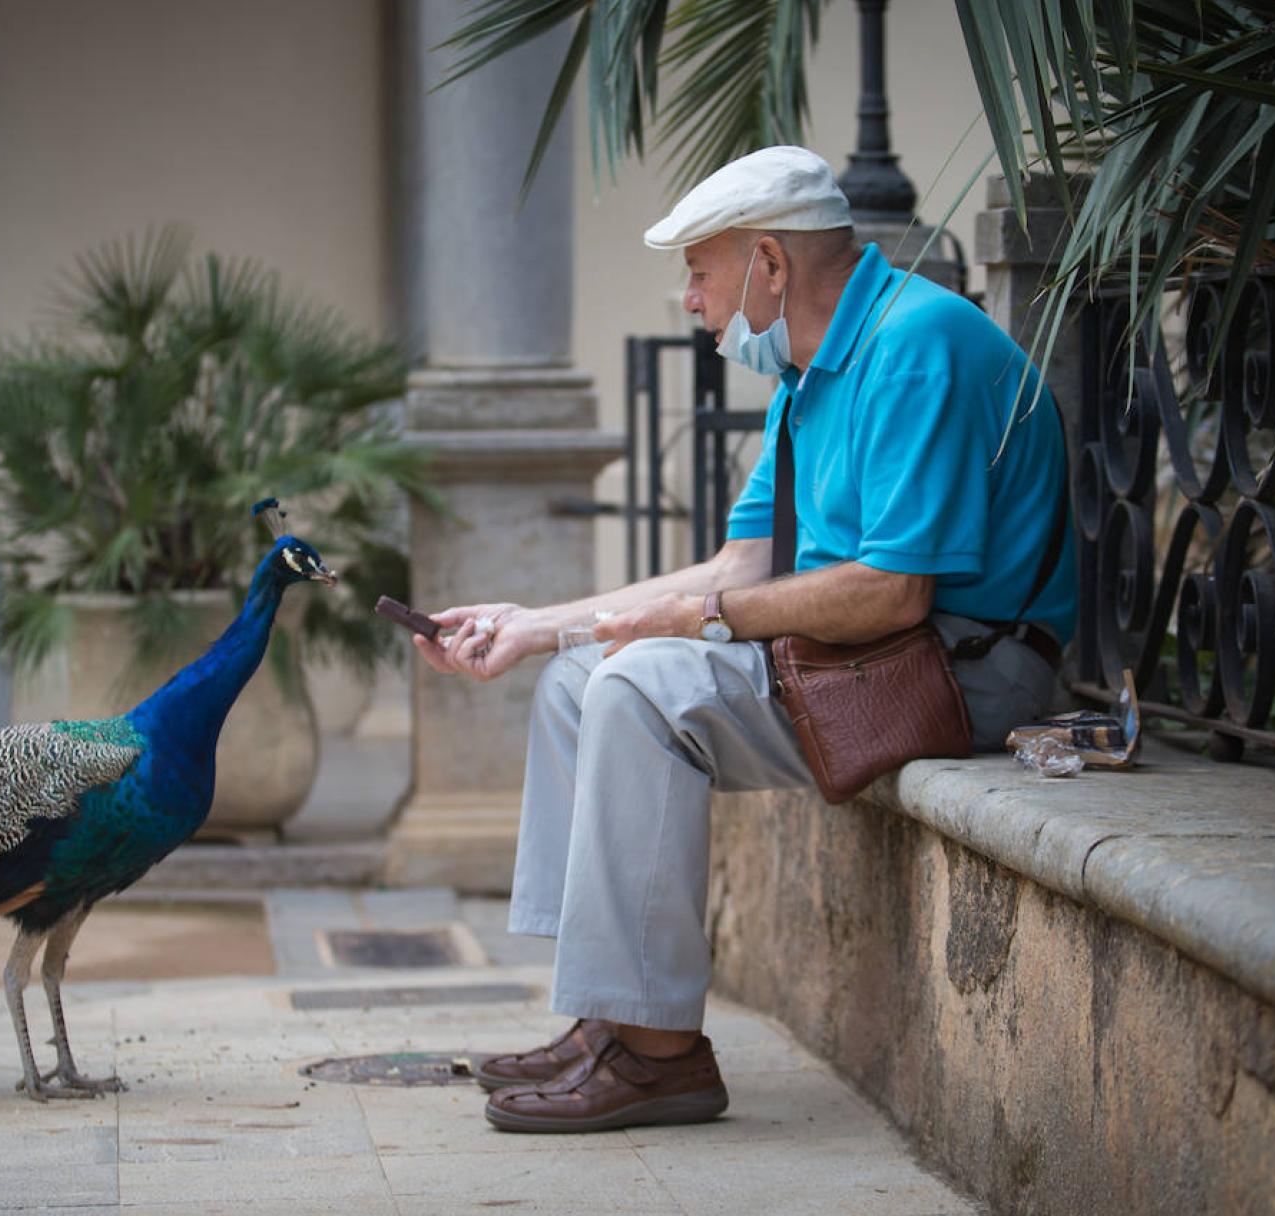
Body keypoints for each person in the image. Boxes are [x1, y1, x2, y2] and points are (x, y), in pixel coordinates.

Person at [413, 145, 1077, 1135]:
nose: (689, 298)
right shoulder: (808, 379)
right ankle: (606, 1012)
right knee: (577, 680)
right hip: (874, 658)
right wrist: (538, 627)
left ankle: (659, 1057)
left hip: (970, 668)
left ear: (768, 263)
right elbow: (738, 568)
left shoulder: (917, 345)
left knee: (638, 693)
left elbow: (895, 592)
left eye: (699, 270)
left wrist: (690, 624)